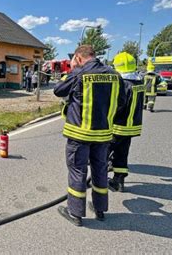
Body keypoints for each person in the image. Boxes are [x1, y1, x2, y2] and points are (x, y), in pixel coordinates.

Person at [53, 45, 125, 226]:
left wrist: (73, 69)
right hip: (103, 135)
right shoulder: (115, 75)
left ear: (78, 57)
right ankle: (100, 210)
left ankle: (75, 213)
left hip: (79, 134)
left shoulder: (79, 74)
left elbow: (58, 90)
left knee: (78, 170)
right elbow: (121, 102)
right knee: (100, 170)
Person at [109, 52, 145, 192]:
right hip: (133, 126)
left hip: (119, 125)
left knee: (103, 152)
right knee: (122, 153)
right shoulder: (139, 81)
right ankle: (119, 180)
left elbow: (118, 105)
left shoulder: (123, 84)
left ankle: (97, 180)